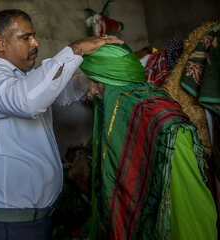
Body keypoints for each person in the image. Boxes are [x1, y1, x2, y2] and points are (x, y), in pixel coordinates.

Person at [0, 9, 123, 240]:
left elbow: (57, 91)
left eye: (34, 35)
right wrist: (76, 49)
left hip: (32, 220)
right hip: (5, 224)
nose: (35, 42)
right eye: (25, 37)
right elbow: (29, 100)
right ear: (1, 43)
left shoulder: (22, 78)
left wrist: (87, 83)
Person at [81, 43, 217, 239]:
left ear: (113, 79)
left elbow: (188, 204)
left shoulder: (163, 121)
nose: (92, 91)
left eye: (96, 82)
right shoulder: (122, 114)